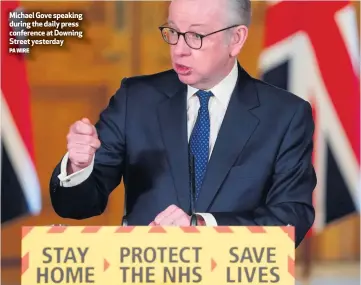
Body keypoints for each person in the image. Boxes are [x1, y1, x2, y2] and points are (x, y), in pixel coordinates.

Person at [49, 0, 317, 247]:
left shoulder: (285, 115)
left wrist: (200, 225)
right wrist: (78, 167)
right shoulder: (136, 100)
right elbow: (77, 206)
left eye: (196, 36)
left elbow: (290, 218)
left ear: (236, 39)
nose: (179, 49)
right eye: (173, 32)